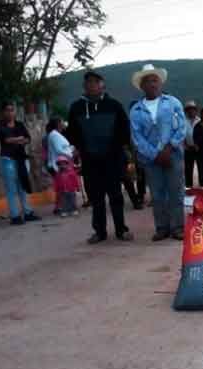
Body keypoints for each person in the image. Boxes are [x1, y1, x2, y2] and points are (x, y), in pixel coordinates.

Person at [66, 70, 133, 244]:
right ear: (84, 86)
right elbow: (71, 133)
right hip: (90, 161)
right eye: (88, 82)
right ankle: (99, 232)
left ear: (102, 85)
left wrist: (119, 149)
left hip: (112, 159)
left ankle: (121, 230)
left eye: (95, 82)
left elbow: (125, 130)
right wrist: (81, 148)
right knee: (96, 198)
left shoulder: (114, 105)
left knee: (116, 196)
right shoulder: (77, 107)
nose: (92, 85)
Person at [130, 64, 186, 241]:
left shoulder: (173, 102)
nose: (152, 84)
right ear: (142, 86)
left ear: (160, 83)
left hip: (173, 155)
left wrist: (169, 148)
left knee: (176, 192)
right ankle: (162, 228)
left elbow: (182, 127)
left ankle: (178, 227)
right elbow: (137, 137)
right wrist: (156, 155)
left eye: (155, 80)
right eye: (148, 81)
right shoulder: (136, 110)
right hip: (151, 159)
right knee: (157, 193)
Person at [0, 102, 41, 225]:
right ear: (3, 112)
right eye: (7, 110)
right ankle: (15, 216)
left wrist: (17, 140)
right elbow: (6, 140)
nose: (10, 112)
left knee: (23, 187)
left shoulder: (19, 124)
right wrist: (19, 139)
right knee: (11, 189)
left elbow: (28, 139)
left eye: (12, 110)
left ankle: (28, 213)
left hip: (21, 159)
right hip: (8, 159)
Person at [45, 117, 73, 214]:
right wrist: (70, 154)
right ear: (58, 124)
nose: (64, 123)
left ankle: (59, 206)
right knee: (61, 186)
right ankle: (60, 206)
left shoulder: (56, 134)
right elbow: (58, 150)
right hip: (57, 164)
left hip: (61, 163)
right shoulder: (54, 135)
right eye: (62, 121)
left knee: (61, 186)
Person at [183, 100, 200, 187]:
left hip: (198, 149)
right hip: (187, 149)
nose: (191, 111)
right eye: (189, 109)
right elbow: (181, 135)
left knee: (201, 169)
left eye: (193, 109)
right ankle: (189, 189)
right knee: (188, 170)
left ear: (196, 110)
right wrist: (185, 145)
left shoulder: (199, 121)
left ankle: (202, 188)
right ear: (186, 111)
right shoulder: (182, 121)